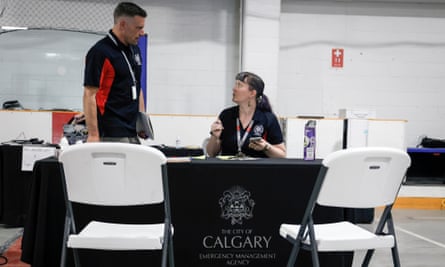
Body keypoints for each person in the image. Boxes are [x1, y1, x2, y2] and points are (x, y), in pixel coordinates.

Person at [83, 2, 147, 144]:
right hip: (111, 132)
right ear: (123, 25)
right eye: (138, 28)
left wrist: (141, 120)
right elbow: (89, 94)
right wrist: (93, 135)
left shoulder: (134, 49)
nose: (142, 33)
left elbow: (137, 85)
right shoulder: (100, 52)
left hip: (132, 130)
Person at [206, 72, 286, 158]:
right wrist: (214, 136)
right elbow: (211, 153)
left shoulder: (268, 118)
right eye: (235, 85)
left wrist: (266, 147)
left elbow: (282, 155)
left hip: (256, 170)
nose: (234, 89)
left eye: (239, 85)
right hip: (228, 169)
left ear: (252, 93)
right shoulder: (226, 115)